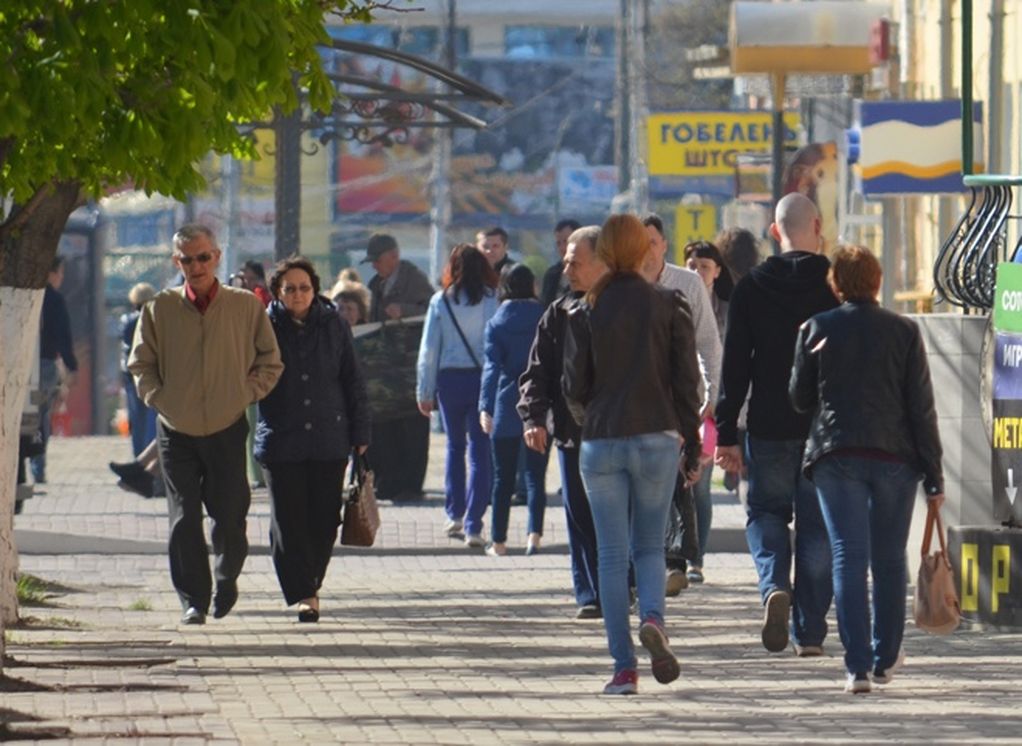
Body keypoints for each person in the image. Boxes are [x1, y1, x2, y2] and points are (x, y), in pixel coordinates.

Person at [789, 245, 945, 693]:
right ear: (877, 281)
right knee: (889, 558)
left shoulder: (818, 327)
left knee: (848, 556)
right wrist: (934, 476)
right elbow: (922, 408)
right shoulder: (904, 331)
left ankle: (855, 667)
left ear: (836, 283)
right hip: (896, 459)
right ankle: (884, 657)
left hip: (837, 456)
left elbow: (799, 399)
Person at [564, 214, 703, 695]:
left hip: (602, 438)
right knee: (650, 546)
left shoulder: (585, 309)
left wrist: (592, 418)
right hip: (658, 437)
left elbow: (573, 386)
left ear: (605, 253)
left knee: (609, 554)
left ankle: (624, 669)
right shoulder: (669, 302)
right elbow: (688, 382)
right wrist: (692, 440)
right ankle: (654, 618)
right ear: (645, 249)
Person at [129, 224, 283, 626]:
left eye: (202, 257)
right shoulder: (159, 307)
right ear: (175, 262)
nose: (195, 266)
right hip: (175, 428)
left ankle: (227, 576)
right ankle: (193, 599)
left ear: (216, 257)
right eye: (186, 259)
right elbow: (140, 364)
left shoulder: (244, 306)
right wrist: (159, 398)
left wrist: (245, 392)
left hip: (227, 423)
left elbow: (270, 360)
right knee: (184, 517)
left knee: (230, 515)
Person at [714, 193, 838, 655]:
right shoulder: (833, 286)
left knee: (765, 513)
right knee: (817, 527)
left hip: (766, 425)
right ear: (818, 226)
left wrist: (726, 431)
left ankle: (773, 588)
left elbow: (734, 367)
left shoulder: (751, 287)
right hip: (823, 429)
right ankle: (810, 633)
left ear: (774, 231)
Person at [255, 256, 370, 623]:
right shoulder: (262, 325)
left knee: (324, 520)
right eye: (290, 289)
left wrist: (360, 431)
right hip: (281, 437)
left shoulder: (334, 324)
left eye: (305, 287)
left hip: (328, 436)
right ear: (278, 292)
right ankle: (304, 592)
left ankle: (311, 583)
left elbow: (353, 379)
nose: (298, 295)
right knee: (288, 521)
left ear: (315, 289)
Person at [518, 225, 606, 619]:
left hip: (625, 434)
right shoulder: (559, 313)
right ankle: (590, 595)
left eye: (576, 260)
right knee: (580, 516)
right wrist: (533, 418)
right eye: (566, 259)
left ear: (602, 262)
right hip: (573, 433)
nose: (566, 268)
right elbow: (536, 372)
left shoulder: (630, 308)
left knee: (621, 516)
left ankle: (624, 585)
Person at [641, 214, 722, 596]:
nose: (645, 249)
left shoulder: (687, 284)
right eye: (637, 242)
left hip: (680, 401)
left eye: (652, 241)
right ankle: (655, 561)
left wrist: (711, 398)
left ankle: (676, 560)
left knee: (680, 480)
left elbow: (708, 342)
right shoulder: (619, 284)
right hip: (634, 407)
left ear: (664, 245)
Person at [417, 244, 499, 548]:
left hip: (449, 379)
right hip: (481, 378)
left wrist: (424, 390)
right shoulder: (492, 299)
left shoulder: (441, 301)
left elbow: (429, 350)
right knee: (480, 451)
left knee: (454, 446)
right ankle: (474, 525)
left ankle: (454, 513)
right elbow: (494, 342)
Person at [479, 264, 546, 556]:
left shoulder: (497, 322)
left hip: (506, 404)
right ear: (532, 285)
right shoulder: (544, 316)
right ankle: (534, 536)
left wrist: (485, 406)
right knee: (535, 476)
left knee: (502, 478)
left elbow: (491, 368)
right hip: (540, 405)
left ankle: (499, 541)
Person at [362, 233, 434, 502]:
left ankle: (411, 484)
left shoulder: (414, 279)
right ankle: (389, 482)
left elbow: (431, 310)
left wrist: (403, 309)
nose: (374, 266)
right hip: (384, 372)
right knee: (387, 430)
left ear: (393, 256)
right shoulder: (376, 285)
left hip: (409, 369)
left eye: (377, 260)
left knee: (412, 430)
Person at [682, 240, 735, 583]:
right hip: (681, 401)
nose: (697, 271)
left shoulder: (729, 309)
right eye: (691, 265)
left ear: (717, 271)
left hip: (716, 405)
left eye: (704, 266)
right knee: (677, 484)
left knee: (698, 484)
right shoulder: (671, 301)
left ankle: (695, 559)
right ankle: (676, 553)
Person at [714, 227, 762, 494]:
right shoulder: (757, 285)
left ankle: (735, 475)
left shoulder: (717, 290)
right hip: (754, 392)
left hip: (725, 387)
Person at [31, 256, 79, 484]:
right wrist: (71, 365)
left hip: (20, 366)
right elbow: (63, 336)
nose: (61, 278)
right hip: (44, 366)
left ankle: (19, 465)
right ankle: (38, 466)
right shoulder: (54, 299)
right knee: (40, 417)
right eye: (60, 272)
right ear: (51, 273)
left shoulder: (23, 295)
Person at [120, 283, 158, 458]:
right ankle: (149, 457)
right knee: (151, 416)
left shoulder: (127, 320)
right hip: (151, 372)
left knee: (137, 418)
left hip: (131, 373)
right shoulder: (156, 319)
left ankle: (138, 456)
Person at [539, 219, 581, 306]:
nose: (562, 248)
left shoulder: (590, 273)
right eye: (558, 243)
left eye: (566, 241)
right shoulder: (551, 274)